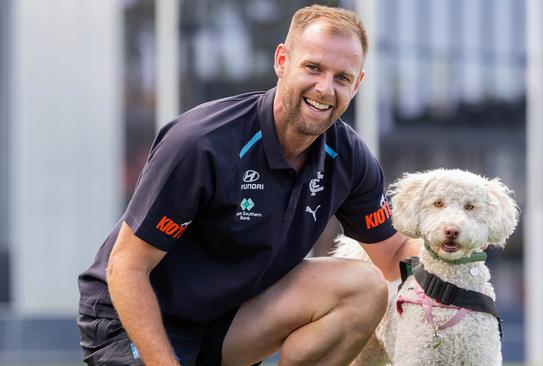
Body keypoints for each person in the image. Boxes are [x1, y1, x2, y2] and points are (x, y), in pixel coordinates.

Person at [77, 5, 421, 365]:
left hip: (225, 319)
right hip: (131, 318)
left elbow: (395, 256)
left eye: (342, 77)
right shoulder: (201, 142)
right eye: (313, 67)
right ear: (282, 60)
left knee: (363, 288)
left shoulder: (349, 157)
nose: (325, 88)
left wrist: (459, 249)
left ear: (358, 84)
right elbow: (126, 268)